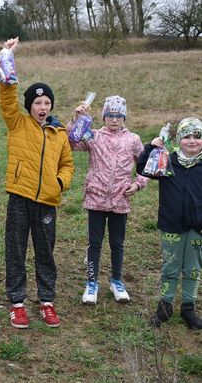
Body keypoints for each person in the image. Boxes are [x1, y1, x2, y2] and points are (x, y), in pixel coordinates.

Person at [0, 37, 74, 329]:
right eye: (37, 103)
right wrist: (8, 56)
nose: (42, 107)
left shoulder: (59, 132)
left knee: (45, 251)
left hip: (47, 201)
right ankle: (17, 302)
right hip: (20, 196)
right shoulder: (18, 123)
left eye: (47, 103)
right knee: (15, 248)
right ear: (29, 106)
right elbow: (7, 98)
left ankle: (46, 301)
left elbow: (67, 164)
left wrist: (59, 182)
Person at [66, 95, 148, 305]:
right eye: (110, 115)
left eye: (118, 115)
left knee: (117, 243)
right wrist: (76, 119)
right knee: (94, 243)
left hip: (120, 200)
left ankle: (117, 281)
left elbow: (145, 166)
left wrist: (137, 184)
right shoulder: (93, 136)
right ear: (103, 117)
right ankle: (91, 282)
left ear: (124, 117)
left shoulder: (133, 140)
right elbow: (72, 142)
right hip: (96, 198)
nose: (114, 119)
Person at [137, 117, 202, 330]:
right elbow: (143, 168)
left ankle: (188, 308)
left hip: (197, 229)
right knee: (170, 267)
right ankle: (165, 307)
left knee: (193, 269)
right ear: (179, 139)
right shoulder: (167, 160)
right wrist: (153, 146)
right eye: (187, 137)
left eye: (197, 137)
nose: (192, 141)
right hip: (171, 225)